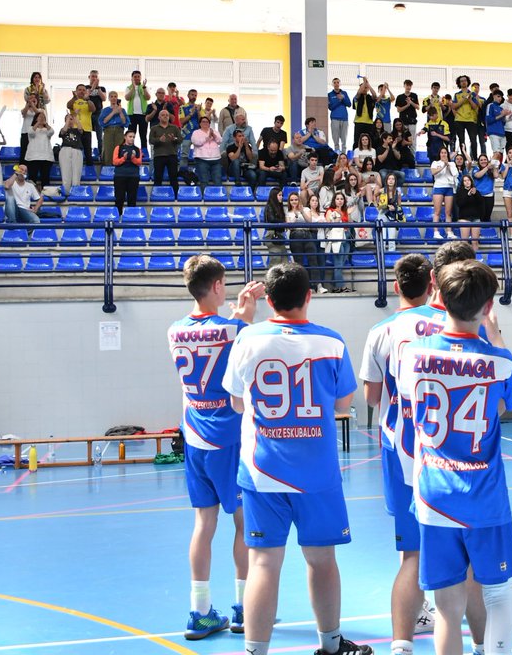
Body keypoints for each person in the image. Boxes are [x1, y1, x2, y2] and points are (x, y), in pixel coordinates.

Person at [221, 263, 370, 655]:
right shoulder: (331, 343)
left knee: (263, 564)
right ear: (309, 296)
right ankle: (331, 645)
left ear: (269, 301)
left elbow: (236, 402)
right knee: (322, 561)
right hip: (316, 473)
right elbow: (342, 405)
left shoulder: (248, 339)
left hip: (262, 470)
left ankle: (255, 650)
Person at [396, 260, 512, 655]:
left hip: (434, 495)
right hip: (484, 495)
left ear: (440, 297)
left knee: (447, 610)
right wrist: (495, 336)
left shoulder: (413, 354)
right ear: (488, 306)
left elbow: (410, 399)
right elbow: (506, 404)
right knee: (499, 592)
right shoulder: (500, 362)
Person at [168, 256, 264, 640]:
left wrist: (238, 315)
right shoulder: (235, 329)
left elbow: (216, 332)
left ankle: (200, 610)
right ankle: (244, 609)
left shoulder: (174, 330)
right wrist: (246, 313)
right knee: (243, 524)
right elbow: (241, 342)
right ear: (218, 286)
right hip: (228, 438)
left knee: (203, 526)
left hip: (194, 437)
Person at [360, 255, 441, 655]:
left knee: (411, 549)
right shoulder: (448, 321)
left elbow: (371, 397)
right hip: (444, 442)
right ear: (432, 282)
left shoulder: (381, 331)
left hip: (400, 443)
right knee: (456, 538)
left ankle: (405, 636)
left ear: (396, 287)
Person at [150, 110, 183, 193]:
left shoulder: (175, 128)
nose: (165, 116)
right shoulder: (154, 128)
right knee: (158, 177)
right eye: (163, 115)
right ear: (159, 117)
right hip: (158, 156)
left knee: (173, 177)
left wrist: (174, 139)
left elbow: (180, 140)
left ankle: (175, 196)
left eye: (167, 115)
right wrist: (159, 140)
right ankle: (156, 195)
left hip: (172, 155)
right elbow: (150, 140)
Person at [112, 129, 144, 212]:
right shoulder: (118, 148)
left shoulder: (137, 149)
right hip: (120, 176)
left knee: (132, 198)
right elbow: (115, 161)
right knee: (119, 198)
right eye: (130, 136)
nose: (132, 138)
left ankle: (131, 216)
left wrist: (133, 158)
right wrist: (124, 158)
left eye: (133, 137)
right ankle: (118, 215)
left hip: (133, 176)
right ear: (125, 137)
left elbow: (139, 162)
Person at [56, 112, 84, 195]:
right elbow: (63, 131)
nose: (70, 121)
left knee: (76, 174)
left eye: (71, 119)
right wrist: (67, 120)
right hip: (65, 150)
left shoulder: (77, 130)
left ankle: (75, 193)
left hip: (77, 150)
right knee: (66, 174)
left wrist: (76, 119)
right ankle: (66, 193)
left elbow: (81, 129)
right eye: (68, 119)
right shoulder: (64, 129)